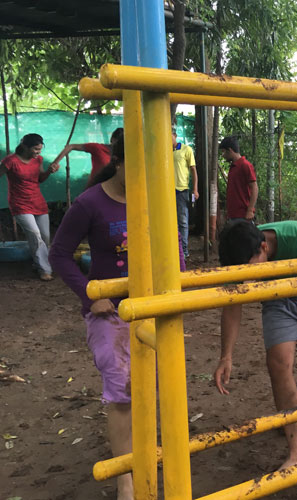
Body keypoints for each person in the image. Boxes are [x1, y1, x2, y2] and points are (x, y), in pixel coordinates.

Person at [49, 137, 184, 500]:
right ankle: (126, 479)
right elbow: (59, 253)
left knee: (153, 384)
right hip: (110, 314)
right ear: (118, 162)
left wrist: (177, 289)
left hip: (152, 307)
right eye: (138, 167)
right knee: (122, 390)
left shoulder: (156, 198)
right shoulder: (90, 203)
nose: (146, 175)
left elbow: (174, 246)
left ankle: (146, 453)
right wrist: (90, 295)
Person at [213, 220, 297, 470]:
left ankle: (288, 416)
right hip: (279, 298)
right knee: (279, 363)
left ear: (264, 247)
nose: (248, 280)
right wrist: (225, 356)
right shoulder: (240, 252)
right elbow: (232, 304)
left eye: (250, 271)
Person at [0, 133, 58, 281]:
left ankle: (38, 263)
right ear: (25, 147)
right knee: (35, 234)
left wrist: (49, 172)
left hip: (38, 202)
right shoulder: (10, 161)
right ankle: (44, 270)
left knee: (45, 236)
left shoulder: (38, 160)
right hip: (19, 204)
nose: (38, 152)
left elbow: (40, 179)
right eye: (36, 149)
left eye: (40, 149)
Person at [50, 128, 124, 189]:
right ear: (113, 139)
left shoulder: (124, 155)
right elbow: (71, 146)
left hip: (114, 189)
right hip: (95, 187)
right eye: (119, 142)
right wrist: (55, 163)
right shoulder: (98, 148)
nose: (121, 145)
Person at [219, 136, 258, 223]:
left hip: (243, 215)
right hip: (233, 215)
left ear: (230, 150)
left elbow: (254, 188)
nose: (223, 155)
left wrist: (250, 210)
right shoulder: (233, 167)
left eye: (223, 151)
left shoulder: (245, 165)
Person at [173, 129, 199, 257]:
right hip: (166, 191)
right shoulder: (163, 151)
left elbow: (193, 170)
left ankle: (183, 251)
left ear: (175, 135)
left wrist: (195, 189)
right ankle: (173, 248)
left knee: (182, 221)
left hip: (181, 190)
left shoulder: (186, 150)